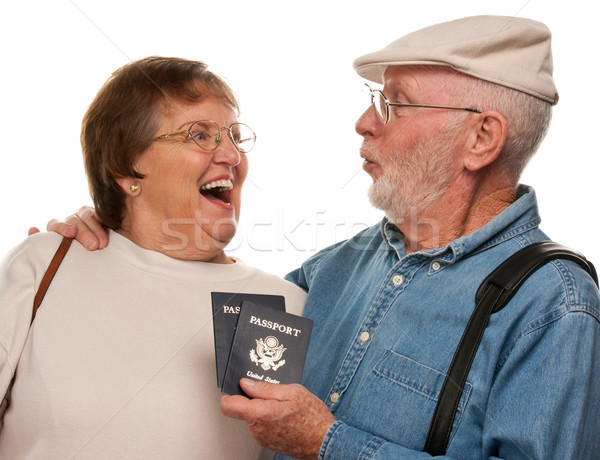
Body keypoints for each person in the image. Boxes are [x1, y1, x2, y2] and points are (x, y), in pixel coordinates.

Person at [43, 16, 600, 459]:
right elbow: (191, 316)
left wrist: (327, 443)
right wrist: (114, 237)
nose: (365, 121)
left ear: (481, 139)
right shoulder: (335, 269)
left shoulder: (554, 306)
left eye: (395, 102)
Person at [0, 56, 306, 459]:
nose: (232, 156)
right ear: (127, 171)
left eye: (234, 135)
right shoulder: (46, 264)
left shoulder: (285, 305)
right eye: (200, 135)